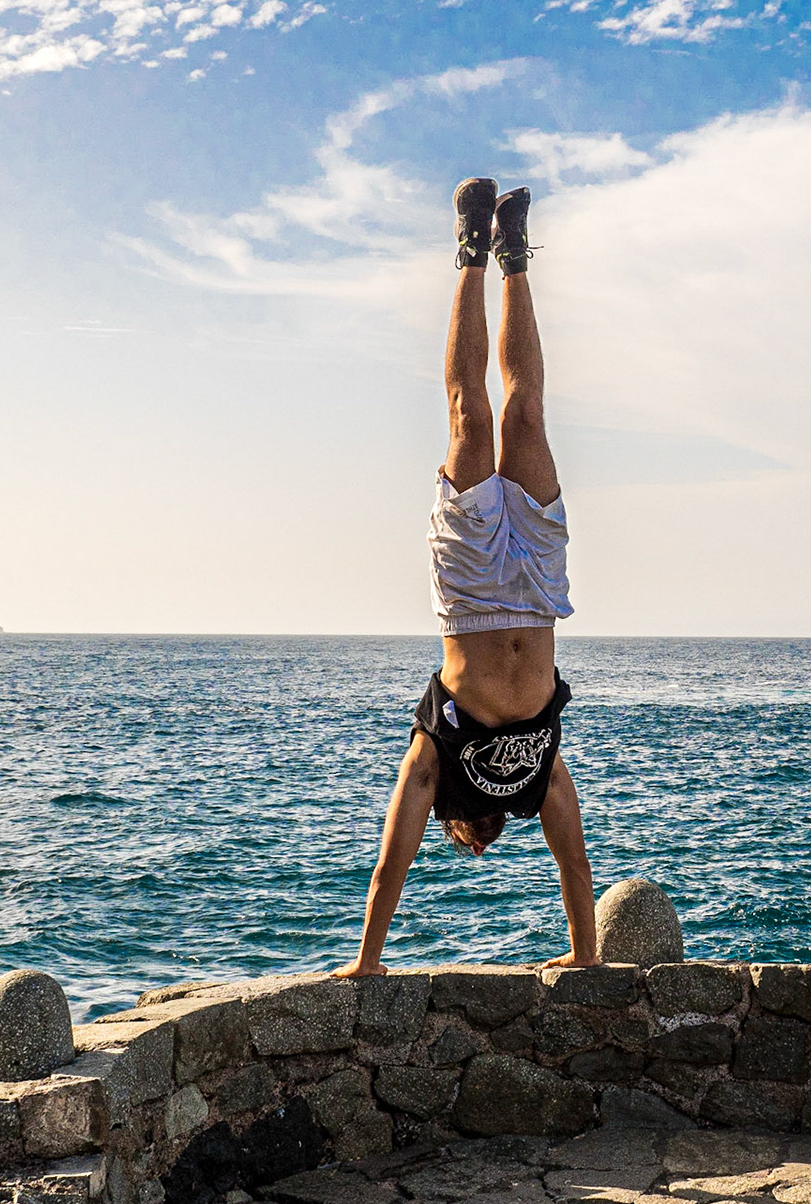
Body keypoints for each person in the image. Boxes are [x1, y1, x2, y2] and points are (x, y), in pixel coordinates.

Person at [334, 179, 598, 977]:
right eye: (479, 844)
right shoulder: (533, 783)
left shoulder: (435, 756)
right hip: (540, 588)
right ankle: (513, 252)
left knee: (468, 416)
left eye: (465, 840)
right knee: (525, 417)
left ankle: (469, 248)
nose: (477, 844)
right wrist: (585, 957)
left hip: (475, 590)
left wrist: (367, 962)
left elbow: (391, 863)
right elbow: (574, 863)